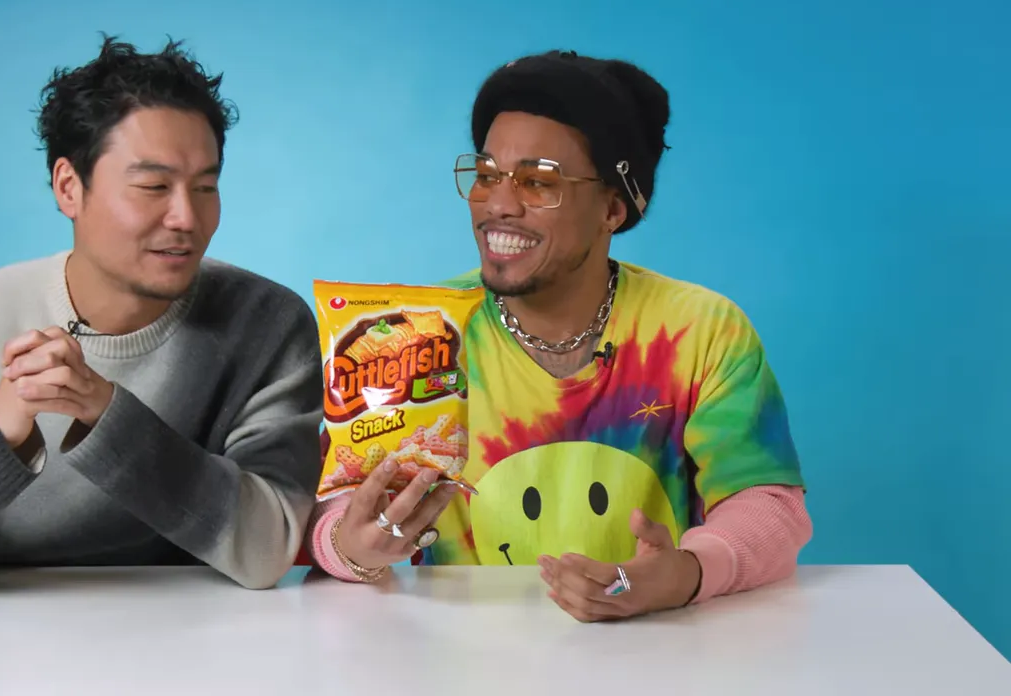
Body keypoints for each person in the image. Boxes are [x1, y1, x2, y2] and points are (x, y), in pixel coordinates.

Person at [307, 50, 812, 622]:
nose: (497, 204)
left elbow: (768, 504)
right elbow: (336, 511)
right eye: (487, 174)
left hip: (656, 651)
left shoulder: (699, 332)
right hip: (457, 660)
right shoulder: (422, 334)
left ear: (613, 209)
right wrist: (352, 550)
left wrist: (686, 575)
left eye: (538, 181)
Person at [0, 35, 323, 594]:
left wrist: (107, 415)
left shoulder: (267, 324)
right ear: (70, 187)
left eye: (206, 186)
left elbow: (269, 548)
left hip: (204, 646)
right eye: (153, 186)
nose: (187, 216)